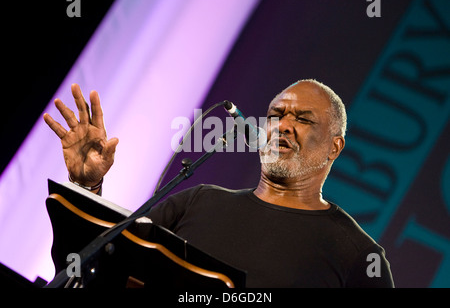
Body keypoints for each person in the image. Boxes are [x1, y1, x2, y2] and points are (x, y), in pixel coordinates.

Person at [43, 80, 394, 287]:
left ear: (335, 146)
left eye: (302, 119)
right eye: (275, 115)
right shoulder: (198, 201)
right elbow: (90, 268)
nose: (282, 126)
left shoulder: (359, 256)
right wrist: (86, 186)